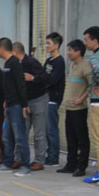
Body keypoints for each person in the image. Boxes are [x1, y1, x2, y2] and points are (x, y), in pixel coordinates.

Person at [0, 38, 31, 177]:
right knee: (7, 137)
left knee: (20, 137)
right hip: (9, 105)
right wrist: (5, 102)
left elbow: (21, 85)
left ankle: (25, 165)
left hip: (16, 106)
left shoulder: (15, 63)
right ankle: (8, 163)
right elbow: (9, 87)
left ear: (2, 48)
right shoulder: (7, 63)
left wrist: (24, 105)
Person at [12, 42, 49, 171]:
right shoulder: (15, 65)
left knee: (39, 132)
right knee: (22, 131)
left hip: (39, 100)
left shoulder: (32, 62)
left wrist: (32, 77)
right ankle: (19, 158)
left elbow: (45, 77)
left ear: (15, 52)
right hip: (24, 102)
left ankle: (39, 160)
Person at [57, 40, 91, 177]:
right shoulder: (73, 66)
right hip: (69, 109)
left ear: (78, 52)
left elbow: (93, 84)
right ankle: (71, 164)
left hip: (79, 109)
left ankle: (81, 166)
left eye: (70, 50)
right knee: (71, 138)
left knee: (82, 139)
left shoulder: (85, 67)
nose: (68, 53)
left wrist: (81, 99)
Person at [82, 26, 99, 184]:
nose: (85, 44)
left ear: (94, 41)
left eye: (86, 40)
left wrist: (97, 84)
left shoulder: (95, 59)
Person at [44, 32, 66, 167]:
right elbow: (42, 76)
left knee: (52, 129)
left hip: (53, 98)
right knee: (46, 129)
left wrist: (42, 80)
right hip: (45, 98)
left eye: (49, 43)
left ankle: (54, 157)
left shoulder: (60, 61)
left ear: (56, 45)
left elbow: (52, 80)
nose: (46, 45)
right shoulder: (48, 61)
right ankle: (49, 153)